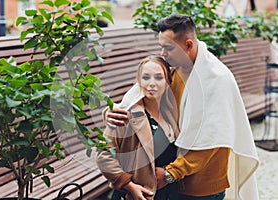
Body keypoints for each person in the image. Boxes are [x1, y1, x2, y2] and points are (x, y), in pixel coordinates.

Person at [104, 14, 259, 200]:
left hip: (201, 187)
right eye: (161, 47)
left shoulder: (218, 80)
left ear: (188, 45)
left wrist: (171, 173)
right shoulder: (173, 69)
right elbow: (139, 92)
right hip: (171, 183)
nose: (163, 53)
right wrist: (112, 112)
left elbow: (212, 140)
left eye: (168, 48)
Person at [96, 55, 181, 200]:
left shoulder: (170, 113)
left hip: (169, 193)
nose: (152, 83)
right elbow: (104, 156)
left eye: (159, 78)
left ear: (168, 83)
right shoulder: (125, 115)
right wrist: (129, 185)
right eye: (146, 77)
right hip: (138, 195)